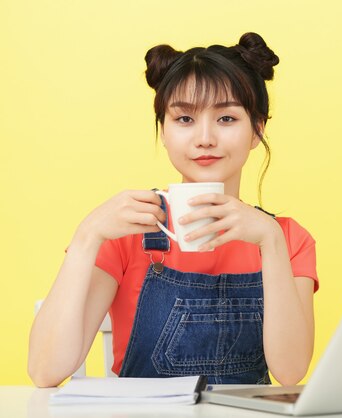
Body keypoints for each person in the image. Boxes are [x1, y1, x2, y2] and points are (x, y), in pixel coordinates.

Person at [28, 32, 318, 388]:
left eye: (226, 118)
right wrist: (87, 236)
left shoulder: (288, 238)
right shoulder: (126, 231)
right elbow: (45, 371)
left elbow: (290, 373)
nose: (205, 138)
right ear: (163, 131)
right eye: (184, 120)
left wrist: (270, 242)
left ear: (257, 130)